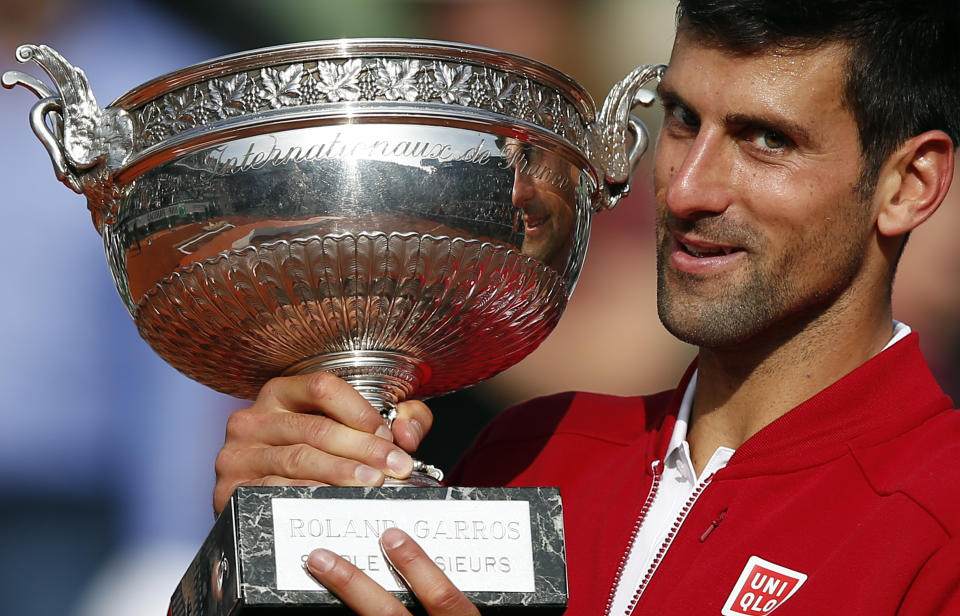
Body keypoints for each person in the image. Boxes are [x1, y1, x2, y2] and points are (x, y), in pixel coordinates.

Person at [212, 0, 960, 614]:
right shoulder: (533, 450)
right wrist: (273, 547)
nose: (685, 188)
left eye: (766, 140)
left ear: (910, 185)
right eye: (682, 120)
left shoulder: (941, 517)